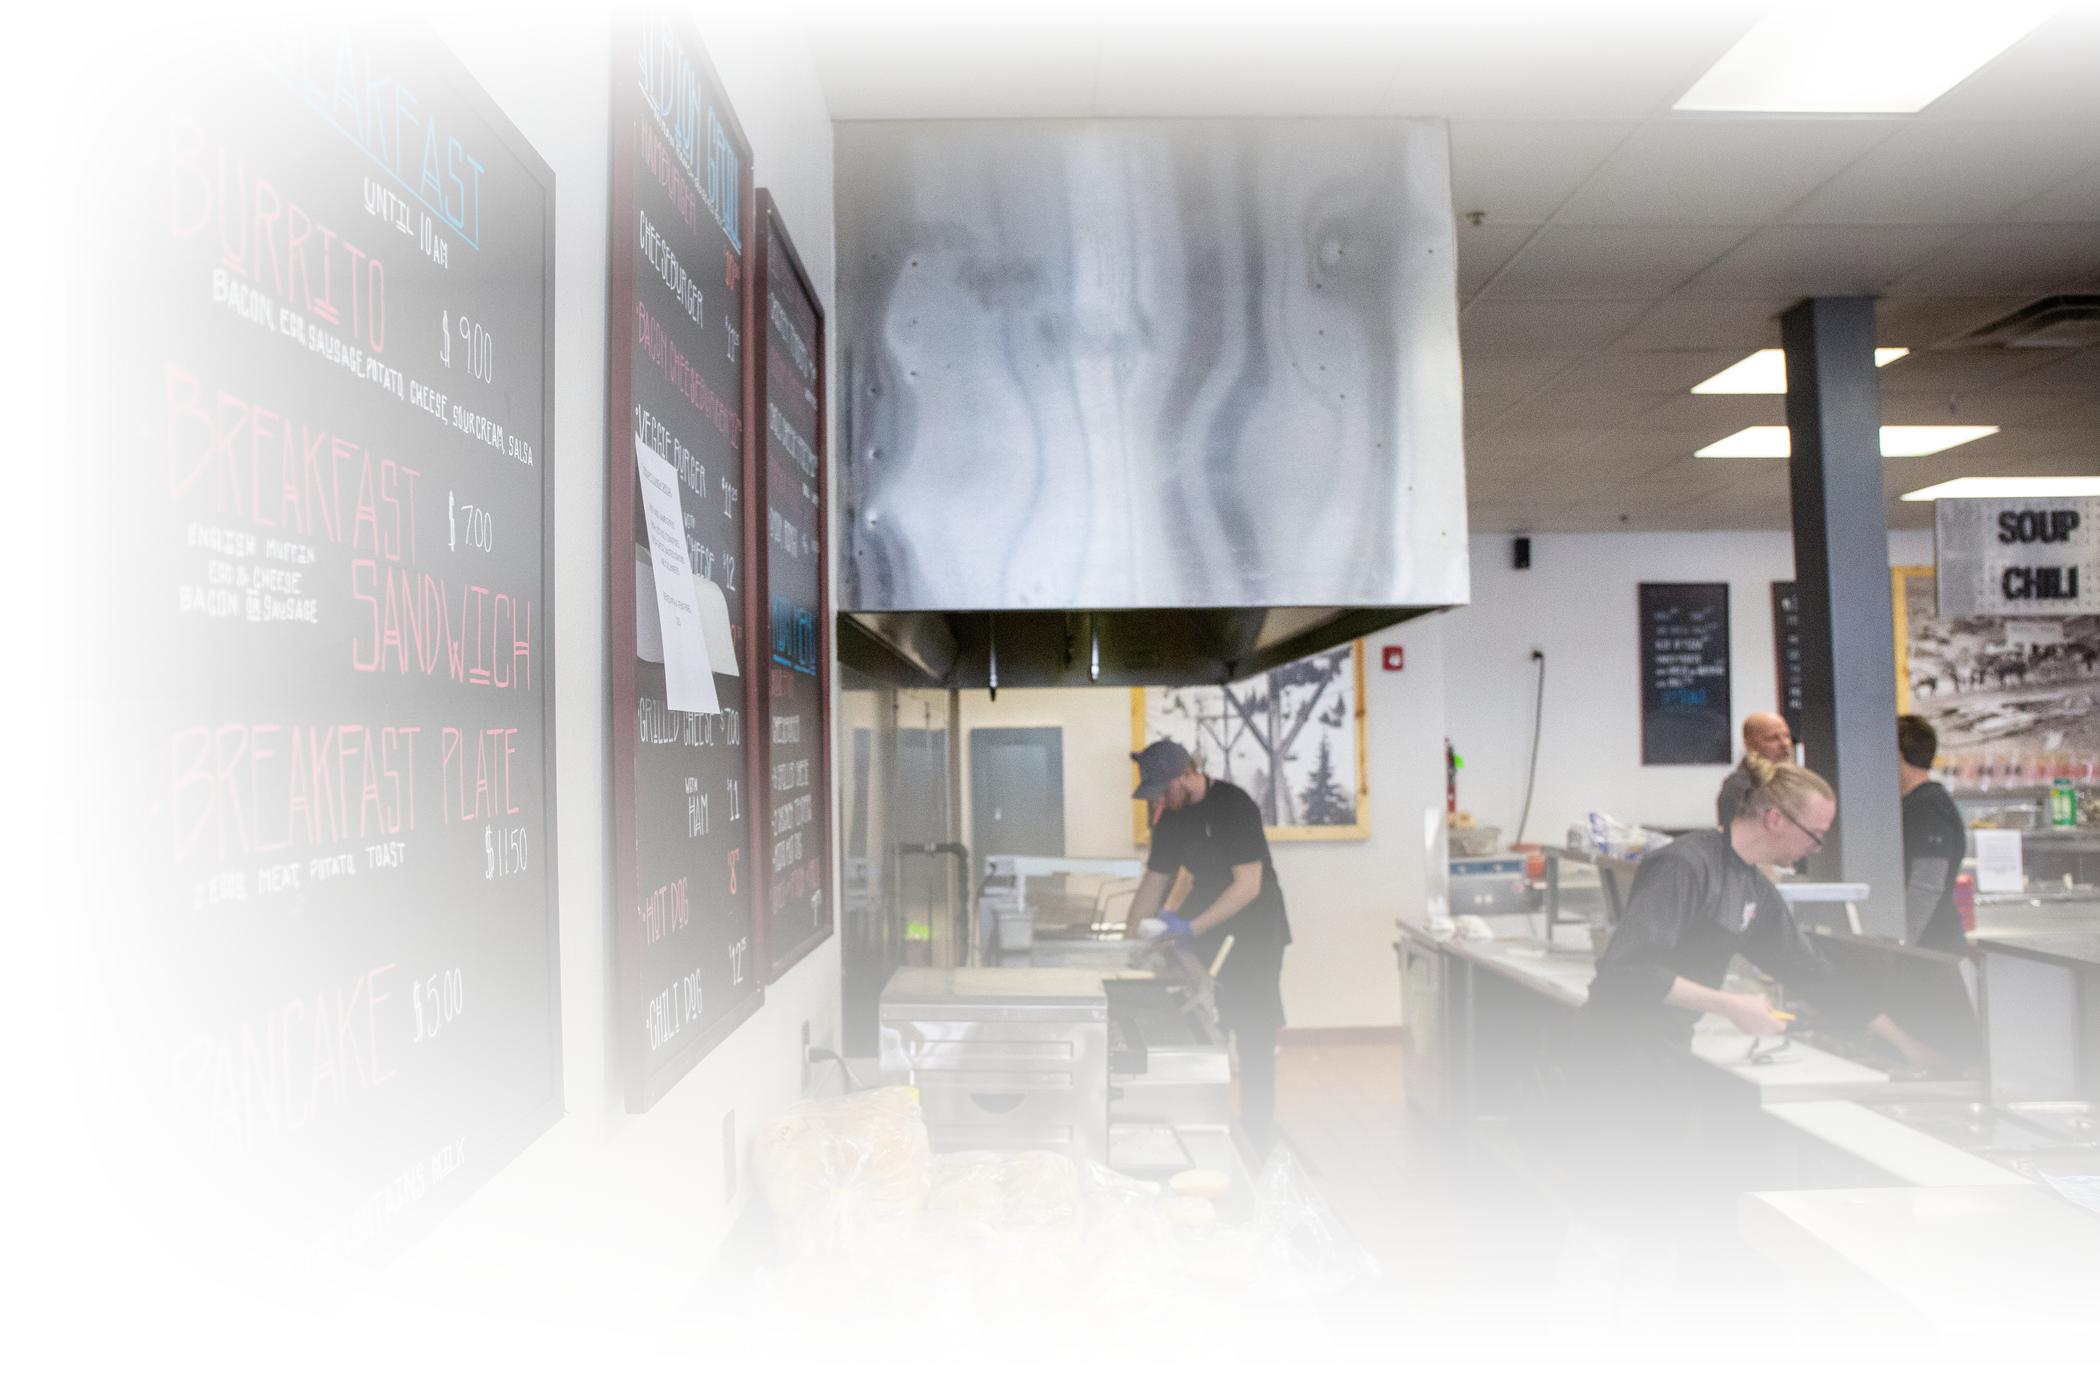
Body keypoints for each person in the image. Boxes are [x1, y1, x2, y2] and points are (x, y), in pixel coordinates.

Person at [1573, 757, 1937, 1212]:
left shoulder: (1751, 888)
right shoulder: (1684, 865)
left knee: (1649, 1209)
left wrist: (1903, 1041)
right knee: (1609, 1208)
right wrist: (1731, 1004)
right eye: (1815, 835)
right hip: (1614, 1058)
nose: (1817, 848)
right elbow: (1627, 970)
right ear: (1773, 818)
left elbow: (1808, 970)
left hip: (1662, 1049)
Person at [1125, 739, 1291, 1158]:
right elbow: (1154, 881)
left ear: (1187, 774)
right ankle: (1208, 1128)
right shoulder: (1172, 819)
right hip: (1208, 914)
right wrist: (1129, 943)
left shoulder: (1233, 806)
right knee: (1204, 1024)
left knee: (1251, 1030)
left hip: (1255, 924)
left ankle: (1257, 1137)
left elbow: (1248, 884)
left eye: (1165, 789)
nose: (1160, 800)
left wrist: (1191, 927)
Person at [1896, 714, 1982, 1065]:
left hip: (1934, 950)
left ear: (1897, 753)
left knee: (1946, 1053)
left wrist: (1901, 947)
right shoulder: (1915, 804)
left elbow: (1926, 886)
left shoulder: (1927, 807)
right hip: (1927, 949)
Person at [1715, 711, 1794, 828]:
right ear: (1749, 744)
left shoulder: (1798, 782)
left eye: (1787, 736)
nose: (1785, 744)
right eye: (1773, 738)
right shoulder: (1739, 787)